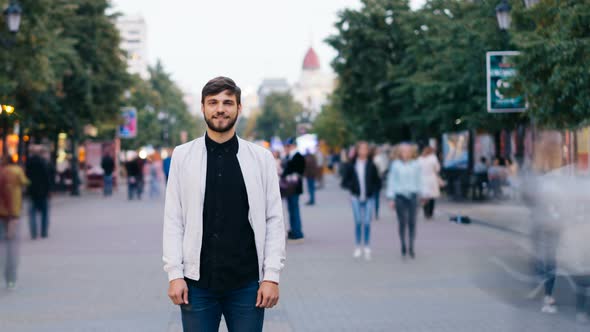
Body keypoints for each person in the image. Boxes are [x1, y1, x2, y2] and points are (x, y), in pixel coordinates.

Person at [163, 77, 286, 332]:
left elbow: (274, 219)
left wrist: (271, 276)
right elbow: (174, 219)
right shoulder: (183, 156)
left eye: (228, 102)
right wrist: (174, 274)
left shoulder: (261, 159)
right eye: (213, 102)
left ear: (239, 108)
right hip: (197, 285)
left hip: (247, 285)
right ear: (203, 107)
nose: (220, 109)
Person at [341, 141, 381, 260]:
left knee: (367, 222)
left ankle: (367, 246)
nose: (363, 151)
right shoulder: (351, 165)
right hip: (355, 197)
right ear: (357, 151)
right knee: (358, 221)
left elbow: (378, 182)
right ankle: (358, 246)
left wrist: (373, 190)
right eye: (361, 149)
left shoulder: (371, 165)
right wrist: (352, 186)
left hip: (369, 197)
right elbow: (344, 181)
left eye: (365, 149)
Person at [386, 143, 421, 259]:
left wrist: (422, 195)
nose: (405, 153)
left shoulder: (416, 164)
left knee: (412, 222)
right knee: (402, 222)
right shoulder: (395, 165)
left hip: (413, 196)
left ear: (412, 152)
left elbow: (420, 180)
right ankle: (403, 245)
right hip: (400, 196)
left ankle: (411, 246)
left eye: (408, 151)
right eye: (403, 151)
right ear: (400, 153)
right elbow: (391, 181)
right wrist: (391, 198)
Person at [0, 156, 29, 289]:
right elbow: (25, 182)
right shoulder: (17, 171)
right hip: (13, 212)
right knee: (11, 247)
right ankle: (10, 279)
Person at [25, 146, 52, 239]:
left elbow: (26, 176)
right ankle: (43, 231)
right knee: (44, 213)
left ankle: (34, 233)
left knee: (32, 213)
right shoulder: (43, 162)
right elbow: (47, 177)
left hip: (32, 190)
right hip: (43, 191)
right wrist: (49, 190)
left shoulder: (28, 162)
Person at [282, 138, 305, 243]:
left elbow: (298, 171)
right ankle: (293, 230)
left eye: (288, 146)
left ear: (293, 146)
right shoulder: (289, 156)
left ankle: (298, 233)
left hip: (294, 187)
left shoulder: (298, 156)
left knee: (294, 210)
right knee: (291, 210)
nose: (287, 148)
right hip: (290, 187)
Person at [418, 146, 441, 220]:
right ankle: (430, 213)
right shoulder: (433, 158)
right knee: (432, 197)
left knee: (424, 197)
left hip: (422, 178)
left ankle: (425, 212)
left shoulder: (420, 159)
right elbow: (437, 169)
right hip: (431, 178)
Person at [372, 146, 390, 220]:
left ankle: (373, 212)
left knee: (372, 197)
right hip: (377, 179)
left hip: (373, 180)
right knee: (376, 197)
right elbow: (383, 169)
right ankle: (376, 212)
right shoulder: (380, 158)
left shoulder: (371, 158)